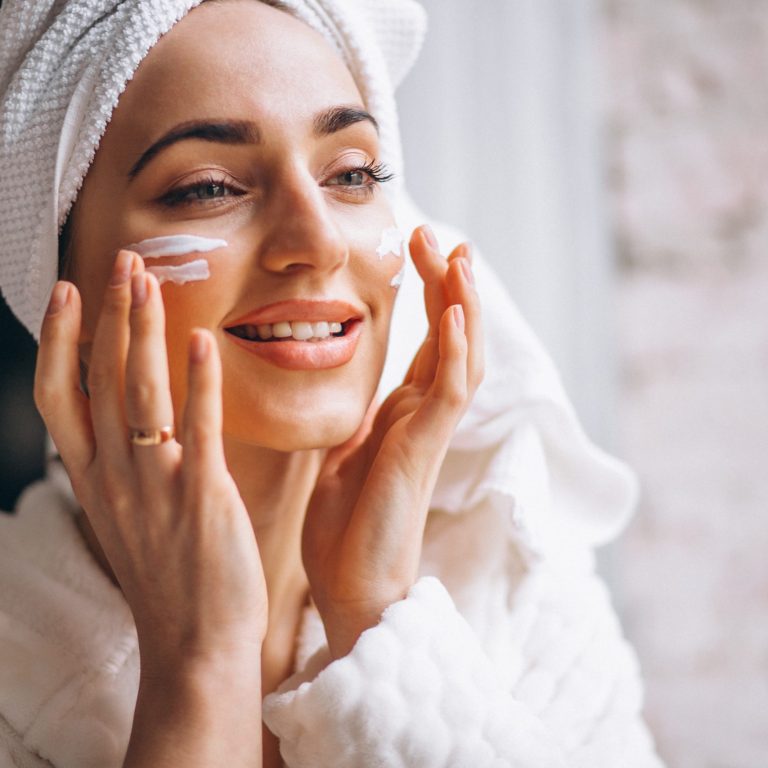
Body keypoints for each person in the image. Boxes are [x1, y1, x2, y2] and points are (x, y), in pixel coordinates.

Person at [0, 1, 666, 767]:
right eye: (209, 188)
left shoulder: (522, 599)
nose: (317, 241)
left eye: (352, 175)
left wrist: (379, 626)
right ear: (64, 292)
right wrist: (200, 665)